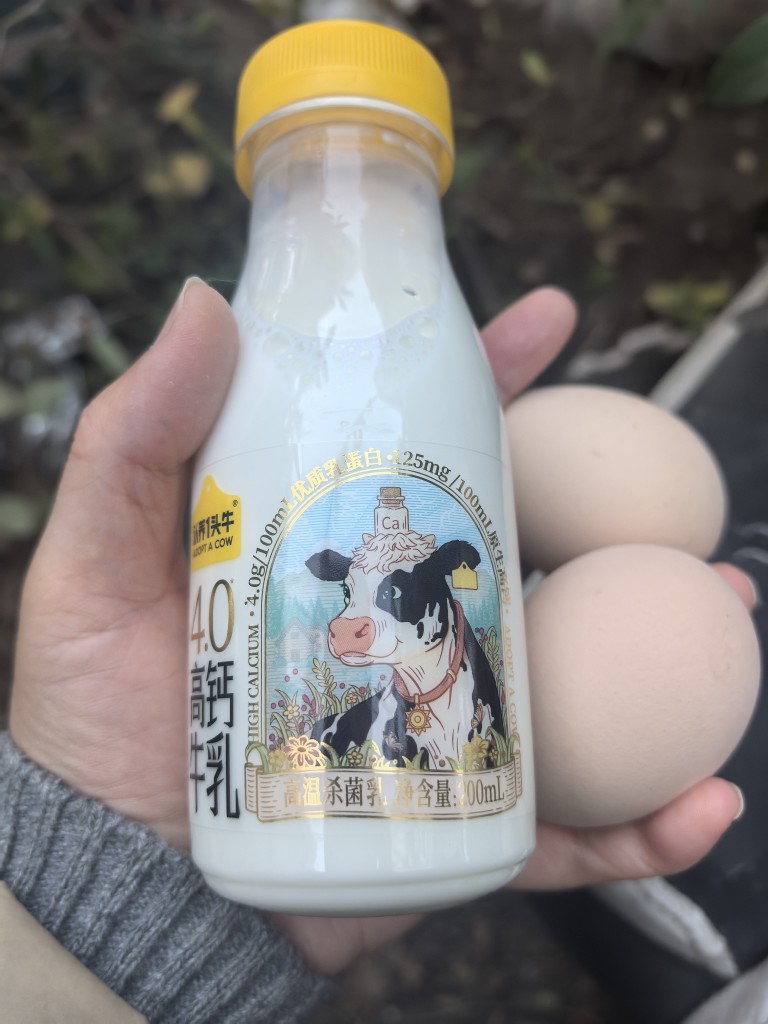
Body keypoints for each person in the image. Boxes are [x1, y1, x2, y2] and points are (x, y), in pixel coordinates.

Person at [0, 280, 750, 1023]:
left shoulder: (476, 681)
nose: (353, 622)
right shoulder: (363, 712)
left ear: (440, 591)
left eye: (392, 595)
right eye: (351, 597)